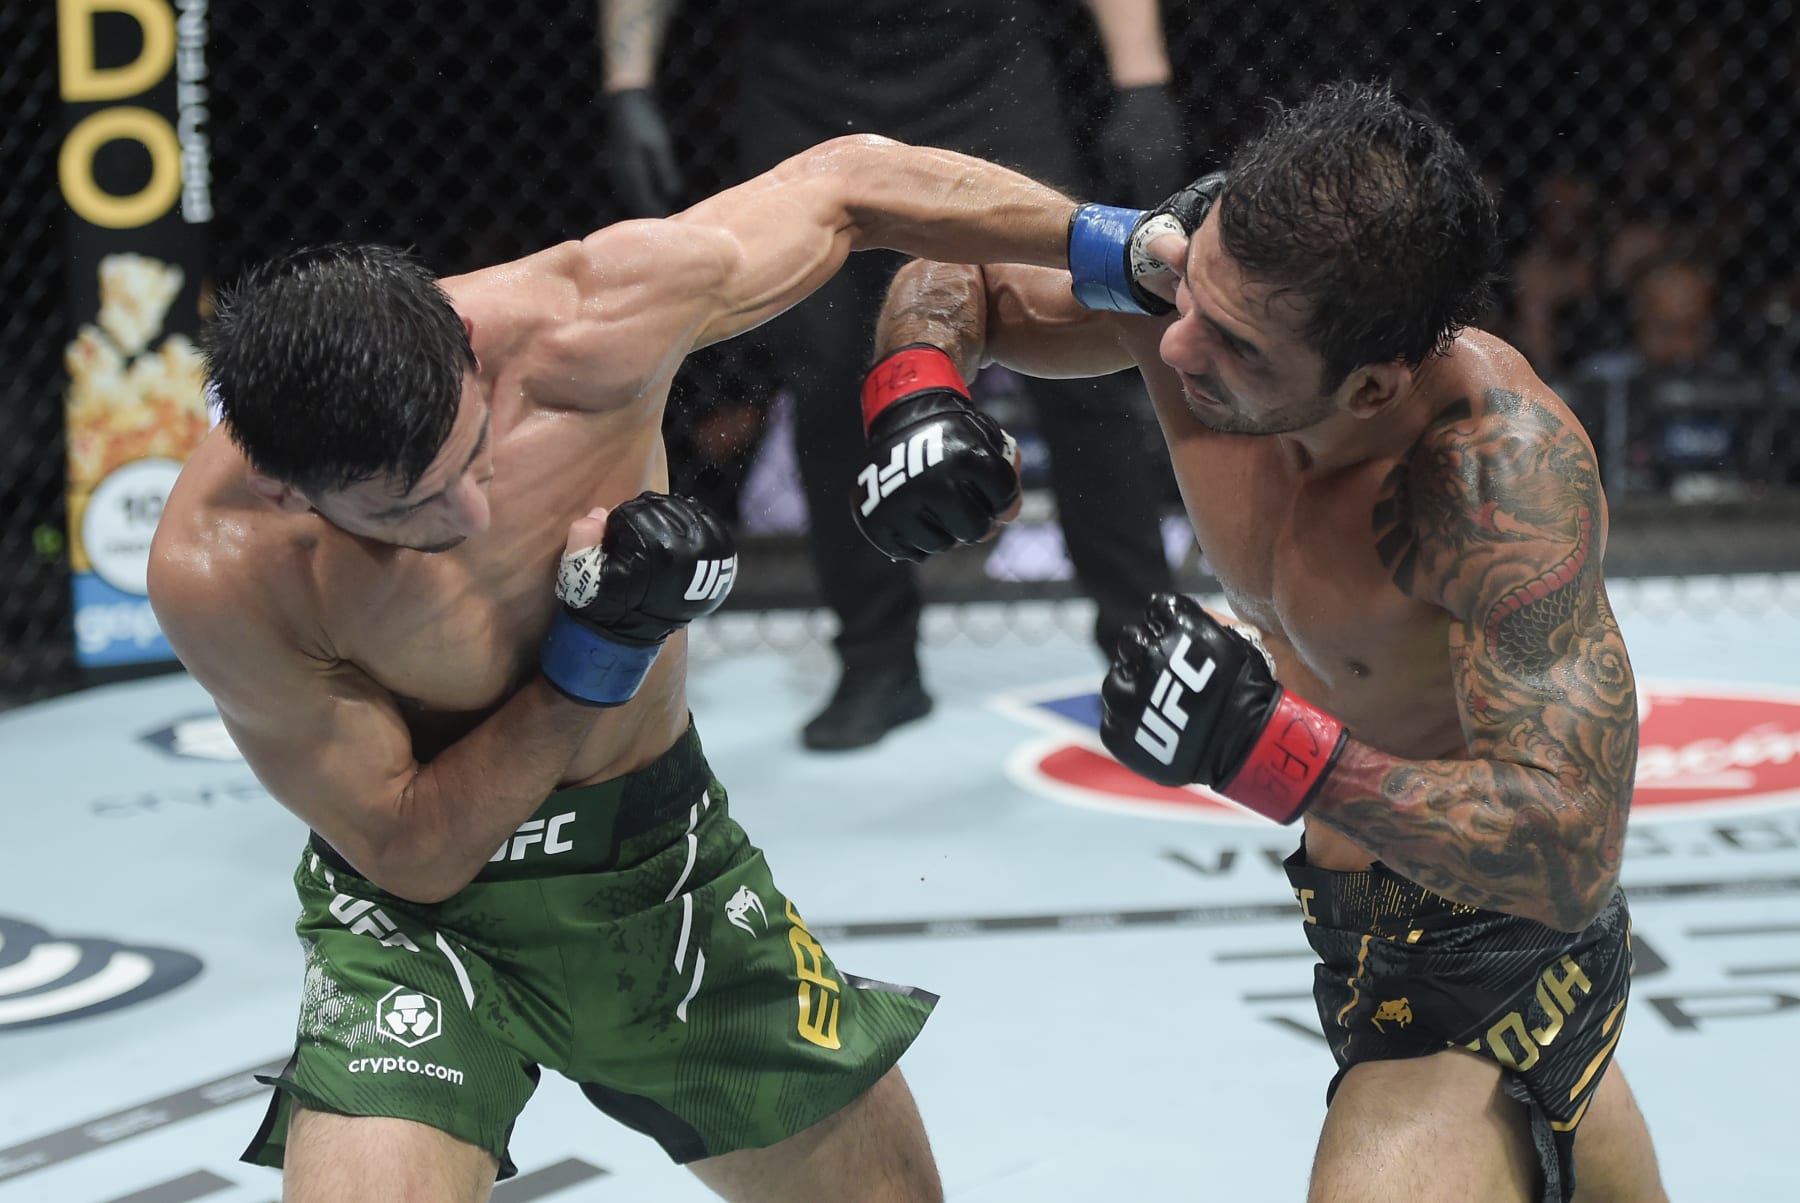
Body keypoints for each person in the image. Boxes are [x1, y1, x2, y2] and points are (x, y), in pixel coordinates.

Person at [145, 136, 1098, 1201]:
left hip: (661, 868)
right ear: (288, 493)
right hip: (421, 932)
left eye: (474, 455)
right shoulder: (221, 571)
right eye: (407, 508)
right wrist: (596, 655)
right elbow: (413, 848)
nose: (468, 514)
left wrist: (1120, 242)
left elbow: (847, 184)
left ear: (464, 350)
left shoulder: (584, 321)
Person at [855, 81, 1667, 1202]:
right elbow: (963, 269)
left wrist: (1268, 748)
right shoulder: (1192, 286)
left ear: (1370, 382)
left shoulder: (1491, 479)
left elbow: (1569, 847)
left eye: (1233, 343)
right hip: (1345, 925)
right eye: (1190, 294)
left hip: (1498, 945)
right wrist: (917, 393)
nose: (1173, 341)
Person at [601, 0, 1182, 749]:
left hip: (982, 64)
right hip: (808, 79)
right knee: (828, 370)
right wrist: (628, 84)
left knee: (1078, 352)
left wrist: (1141, 80)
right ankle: (877, 659)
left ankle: (1142, 640)